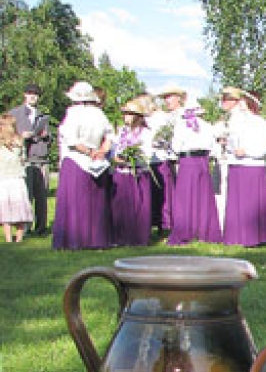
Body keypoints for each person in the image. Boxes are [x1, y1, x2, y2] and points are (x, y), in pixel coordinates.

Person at [52, 81, 114, 250]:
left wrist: (89, 152)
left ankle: (73, 240)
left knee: (74, 201)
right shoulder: (100, 114)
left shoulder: (73, 113)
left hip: (77, 160)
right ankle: (95, 239)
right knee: (94, 201)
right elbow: (109, 137)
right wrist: (100, 151)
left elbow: (72, 141)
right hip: (96, 160)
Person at [220, 87, 266, 246]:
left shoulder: (260, 123)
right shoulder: (234, 122)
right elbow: (231, 142)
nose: (240, 106)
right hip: (236, 164)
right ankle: (234, 235)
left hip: (252, 165)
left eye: (243, 103)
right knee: (236, 203)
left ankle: (252, 237)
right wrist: (232, 149)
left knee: (250, 204)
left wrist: (248, 151)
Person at [167, 99, 223, 245]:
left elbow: (176, 146)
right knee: (204, 197)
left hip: (188, 161)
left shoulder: (181, 126)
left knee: (185, 197)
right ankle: (206, 230)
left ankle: (185, 230)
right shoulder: (207, 126)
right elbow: (213, 147)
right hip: (203, 161)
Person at [109, 99, 155, 247]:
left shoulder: (145, 133)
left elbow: (147, 153)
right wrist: (116, 157)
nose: (125, 117)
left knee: (138, 205)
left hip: (138, 173)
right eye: (124, 114)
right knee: (120, 205)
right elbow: (115, 150)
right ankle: (120, 236)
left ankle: (138, 238)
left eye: (129, 114)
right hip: (121, 172)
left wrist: (131, 159)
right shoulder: (121, 131)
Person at [8, 83, 51, 235]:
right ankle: (24, 228)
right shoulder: (14, 113)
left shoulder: (43, 115)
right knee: (26, 196)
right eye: (30, 93)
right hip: (24, 160)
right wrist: (21, 136)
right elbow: (6, 136)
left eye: (36, 94)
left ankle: (41, 228)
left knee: (42, 197)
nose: (33, 96)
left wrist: (47, 136)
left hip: (41, 159)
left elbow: (50, 138)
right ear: (24, 95)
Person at [149, 86, 186, 234]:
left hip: (181, 156)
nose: (167, 100)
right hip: (167, 156)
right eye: (165, 98)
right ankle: (164, 223)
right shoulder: (165, 116)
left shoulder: (183, 115)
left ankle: (175, 222)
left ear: (178, 98)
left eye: (170, 97)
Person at [0, 115, 33, 243]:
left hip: (12, 178)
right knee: (11, 209)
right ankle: (14, 239)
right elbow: (23, 158)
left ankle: (14, 239)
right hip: (8, 178)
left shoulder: (18, 141)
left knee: (12, 208)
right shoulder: (18, 141)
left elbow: (22, 158)